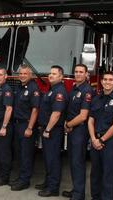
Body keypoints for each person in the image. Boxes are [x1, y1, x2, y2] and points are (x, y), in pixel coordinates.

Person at [88, 71, 113, 200]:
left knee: (107, 175)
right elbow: (90, 120)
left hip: (109, 143)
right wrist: (94, 139)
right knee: (95, 174)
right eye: (105, 79)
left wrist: (101, 140)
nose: (107, 82)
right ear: (101, 81)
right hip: (95, 141)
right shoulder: (96, 98)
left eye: (110, 80)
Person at [62, 64, 94, 200]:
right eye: (76, 71)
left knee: (78, 162)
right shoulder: (74, 88)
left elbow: (83, 116)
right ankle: (76, 190)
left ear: (86, 74)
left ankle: (79, 195)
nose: (78, 74)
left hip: (80, 131)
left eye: (81, 72)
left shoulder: (87, 90)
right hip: (72, 130)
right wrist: (67, 124)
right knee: (73, 161)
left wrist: (68, 124)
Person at [37, 65, 68, 197]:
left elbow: (56, 114)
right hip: (46, 129)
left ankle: (53, 188)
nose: (50, 75)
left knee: (53, 159)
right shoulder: (52, 90)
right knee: (47, 158)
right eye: (50, 73)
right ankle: (48, 182)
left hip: (53, 131)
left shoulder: (59, 91)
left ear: (61, 77)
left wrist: (48, 129)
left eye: (54, 74)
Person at [10, 64, 40, 191]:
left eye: (25, 74)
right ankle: (21, 177)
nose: (22, 76)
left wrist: (29, 128)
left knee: (26, 154)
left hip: (26, 125)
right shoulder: (19, 87)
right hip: (17, 124)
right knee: (19, 153)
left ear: (30, 75)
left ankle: (25, 180)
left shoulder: (33, 88)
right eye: (20, 73)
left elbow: (35, 110)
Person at [0, 67, 14, 186]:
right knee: (0, 150)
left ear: (6, 76)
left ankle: (5, 178)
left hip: (5, 124)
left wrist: (4, 126)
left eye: (1, 75)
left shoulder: (7, 90)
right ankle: (1, 173)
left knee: (4, 152)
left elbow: (9, 109)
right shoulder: (0, 89)